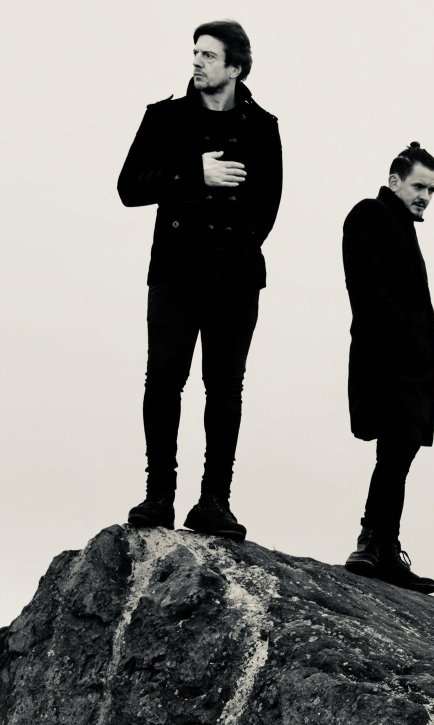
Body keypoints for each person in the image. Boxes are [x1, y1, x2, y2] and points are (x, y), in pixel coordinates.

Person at [119, 20, 282, 541]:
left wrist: (237, 247)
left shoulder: (263, 126)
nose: (196, 61)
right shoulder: (164, 117)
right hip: (175, 271)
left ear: (235, 67)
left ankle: (215, 501)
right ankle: (159, 495)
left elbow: (268, 204)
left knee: (225, 387)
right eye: (195, 52)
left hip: (235, 277)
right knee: (164, 380)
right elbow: (129, 187)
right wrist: (195, 173)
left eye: (208, 55)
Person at [340, 142, 434, 595]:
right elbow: (366, 288)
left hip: (415, 366)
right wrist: (406, 337)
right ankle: (372, 541)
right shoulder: (368, 214)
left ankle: (384, 544)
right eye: (419, 186)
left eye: (432, 190)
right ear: (394, 180)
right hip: (386, 360)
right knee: (394, 452)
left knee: (398, 455)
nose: (425, 197)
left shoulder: (403, 227)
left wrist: (431, 360)